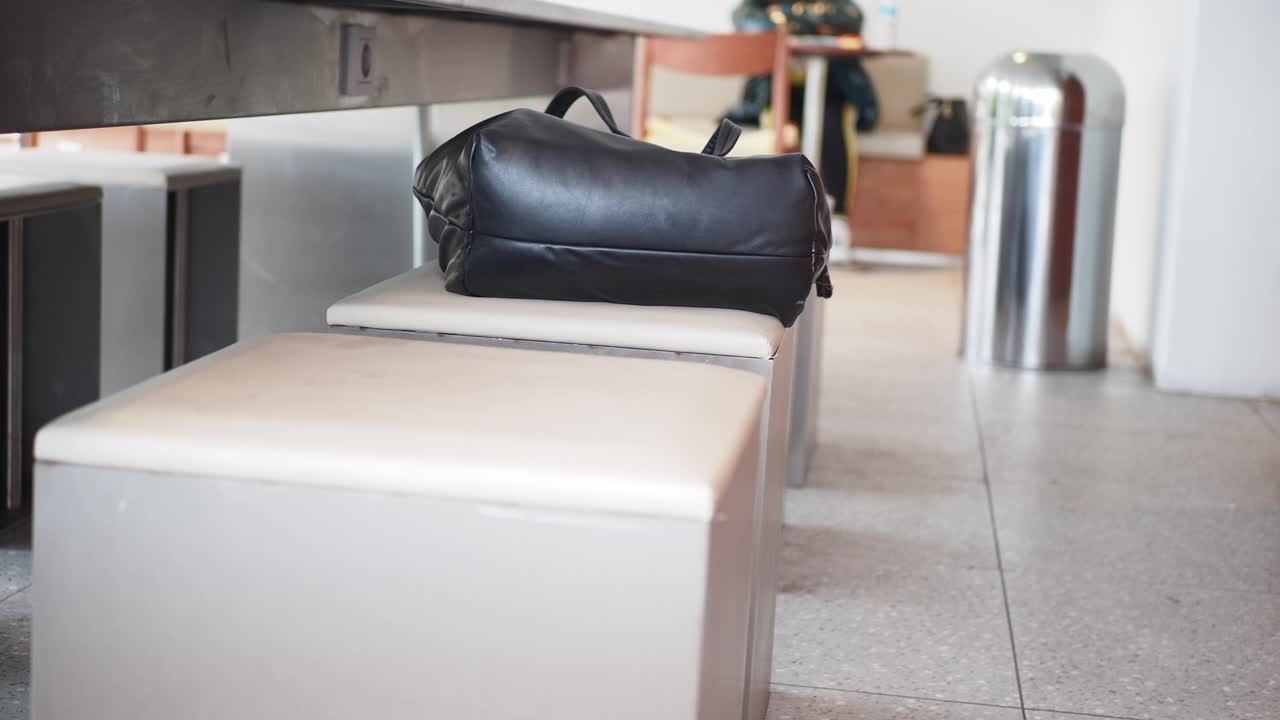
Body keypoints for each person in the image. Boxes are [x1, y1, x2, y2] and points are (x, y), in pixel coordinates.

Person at [726, 0, 879, 213]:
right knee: (778, 128)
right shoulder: (758, 5)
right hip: (777, 89)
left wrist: (784, 17)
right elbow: (745, 20)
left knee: (832, 125)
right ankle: (772, 213)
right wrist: (811, 20)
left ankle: (837, 215)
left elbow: (853, 19)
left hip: (832, 86)